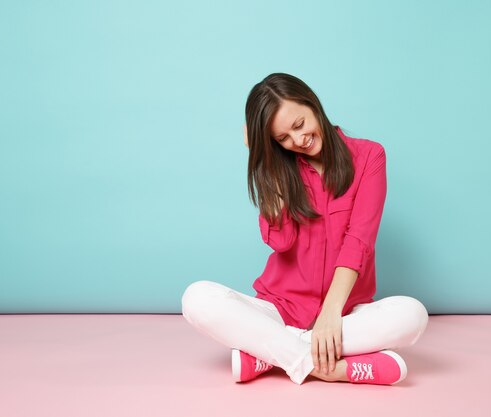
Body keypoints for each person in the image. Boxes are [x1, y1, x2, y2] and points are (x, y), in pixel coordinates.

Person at [181, 73, 428, 385]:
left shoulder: (369, 157)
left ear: (311, 103)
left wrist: (330, 316)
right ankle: (335, 368)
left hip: (344, 315)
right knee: (197, 298)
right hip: (279, 309)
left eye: (298, 125)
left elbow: (359, 241)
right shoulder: (282, 170)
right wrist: (266, 162)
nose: (297, 141)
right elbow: (281, 242)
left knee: (413, 315)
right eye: (282, 139)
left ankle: (269, 353)